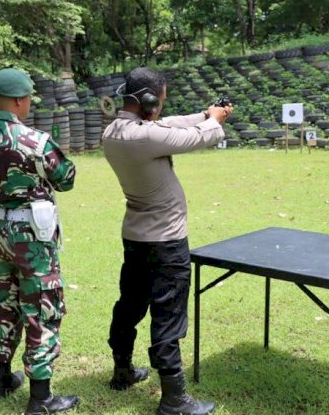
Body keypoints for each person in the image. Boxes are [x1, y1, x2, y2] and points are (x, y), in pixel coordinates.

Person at [102, 67, 231, 415]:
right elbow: (199, 138)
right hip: (166, 242)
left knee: (130, 306)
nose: (161, 107)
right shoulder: (144, 137)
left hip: (136, 237)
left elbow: (168, 124)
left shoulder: (115, 131)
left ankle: (122, 370)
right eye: (159, 101)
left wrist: (204, 114)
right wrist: (214, 121)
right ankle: (174, 398)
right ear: (147, 102)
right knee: (168, 315)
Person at [0, 68, 79, 415]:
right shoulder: (35, 141)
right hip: (32, 237)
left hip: (0, 233)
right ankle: (41, 398)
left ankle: (3, 378)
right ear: (20, 100)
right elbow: (66, 179)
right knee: (42, 306)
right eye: (29, 99)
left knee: (5, 303)